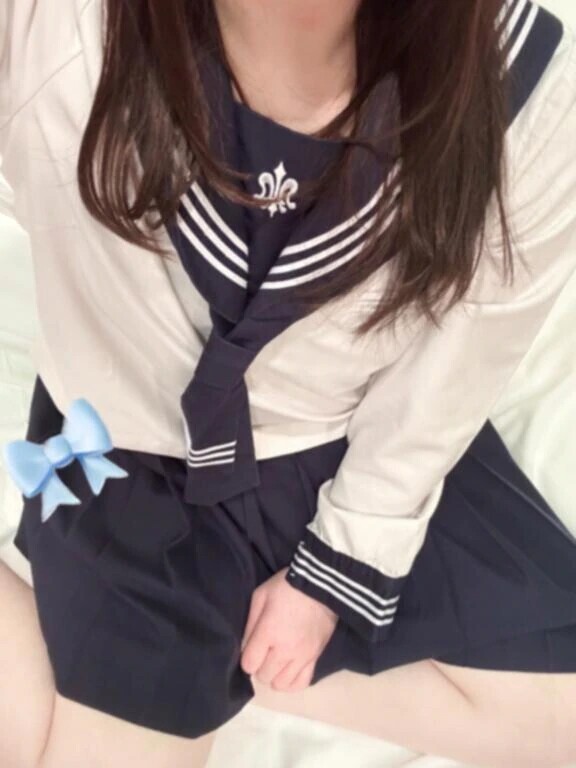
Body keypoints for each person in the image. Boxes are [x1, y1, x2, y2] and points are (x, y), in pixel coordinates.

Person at [1, 0, 576, 766]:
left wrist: (337, 570)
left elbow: (454, 369)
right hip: (134, 452)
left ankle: (197, 663)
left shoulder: (526, 87)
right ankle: (166, 662)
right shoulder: (55, 26)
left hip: (342, 437)